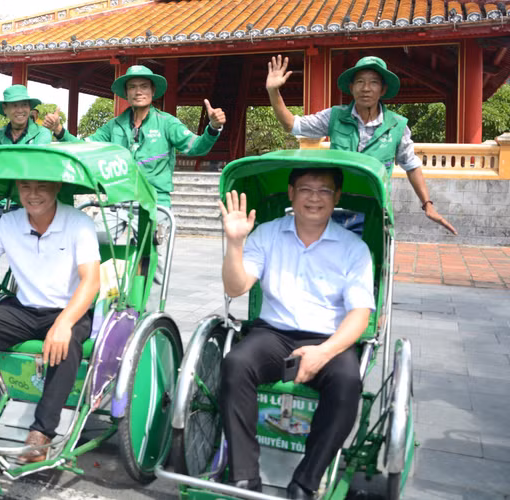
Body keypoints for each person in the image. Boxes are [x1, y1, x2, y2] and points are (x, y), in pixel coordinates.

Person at [218, 167, 375, 499]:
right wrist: (235, 244)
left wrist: (324, 352)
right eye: (306, 189)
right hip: (273, 334)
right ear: (291, 193)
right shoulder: (267, 234)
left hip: (328, 340)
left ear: (337, 198)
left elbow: (360, 314)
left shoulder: (353, 248)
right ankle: (245, 477)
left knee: (348, 383)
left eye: (324, 191)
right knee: (235, 364)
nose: (314, 198)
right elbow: (236, 286)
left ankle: (305, 482)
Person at [0, 179, 99, 463]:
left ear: (57, 188)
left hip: (69, 308)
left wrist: (63, 324)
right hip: (25, 308)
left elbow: (91, 282)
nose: (33, 195)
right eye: (25, 187)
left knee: (68, 341)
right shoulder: (9, 223)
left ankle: (42, 434)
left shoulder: (79, 224)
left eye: (41, 187)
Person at [266, 54, 456, 235]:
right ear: (351, 87)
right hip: (336, 206)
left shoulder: (397, 125)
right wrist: (273, 91)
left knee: (370, 263)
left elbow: (412, 166)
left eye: (373, 82)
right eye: (360, 82)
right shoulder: (335, 116)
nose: (366, 88)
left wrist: (427, 205)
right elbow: (292, 124)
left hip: (375, 207)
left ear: (382, 90)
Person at [43, 65, 225, 208]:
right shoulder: (113, 126)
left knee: (150, 253)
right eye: (132, 87)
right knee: (104, 246)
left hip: (156, 201)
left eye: (144, 86)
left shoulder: (167, 123)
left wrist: (213, 127)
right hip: (119, 199)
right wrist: (59, 130)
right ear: (126, 93)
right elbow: (83, 148)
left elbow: (196, 147)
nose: (138, 92)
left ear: (153, 91)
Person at [0, 85, 53, 227]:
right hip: (1, 203)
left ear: (30, 108)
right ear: (5, 109)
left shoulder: (42, 134)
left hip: (32, 203)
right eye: (15, 106)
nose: (20, 110)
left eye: (24, 105)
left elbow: (35, 164)